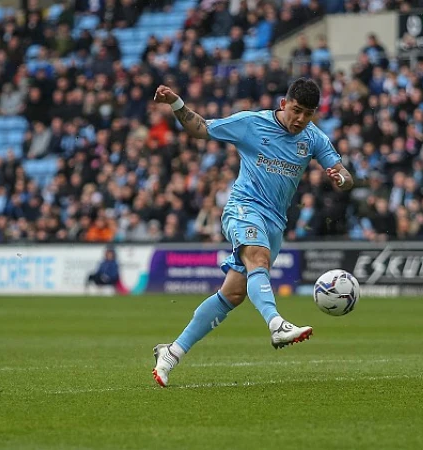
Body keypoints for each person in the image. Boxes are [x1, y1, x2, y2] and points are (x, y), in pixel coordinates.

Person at [151, 78, 354, 388]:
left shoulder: (313, 139)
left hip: (274, 223)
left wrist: (340, 178)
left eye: (308, 114)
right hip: (243, 208)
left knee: (232, 294)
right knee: (258, 258)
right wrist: (177, 103)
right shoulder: (251, 123)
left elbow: (345, 175)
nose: (300, 119)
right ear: (284, 104)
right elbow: (201, 128)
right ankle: (276, 324)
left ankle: (171, 352)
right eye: (296, 111)